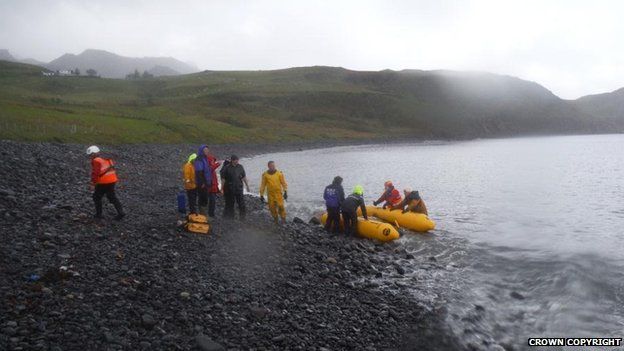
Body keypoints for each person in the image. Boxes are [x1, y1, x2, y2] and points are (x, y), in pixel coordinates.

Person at [87, 145, 125, 220]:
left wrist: (92, 184)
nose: (90, 156)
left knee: (96, 197)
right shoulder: (107, 159)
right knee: (112, 196)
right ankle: (121, 212)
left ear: (94, 153)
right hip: (113, 180)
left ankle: (99, 215)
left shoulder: (96, 160)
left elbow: (96, 173)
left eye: (91, 154)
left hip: (103, 182)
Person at [194, 145, 221, 217]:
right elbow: (199, 172)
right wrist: (202, 182)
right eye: (205, 150)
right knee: (203, 199)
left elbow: (207, 171)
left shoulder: (205, 159)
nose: (207, 151)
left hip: (208, 183)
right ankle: (202, 215)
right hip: (203, 183)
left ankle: (205, 215)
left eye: (207, 150)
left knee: (206, 199)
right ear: (202, 151)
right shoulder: (199, 159)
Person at [221, 155, 249, 219]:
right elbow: (223, 179)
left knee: (241, 203)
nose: (237, 161)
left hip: (239, 188)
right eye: (235, 160)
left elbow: (244, 177)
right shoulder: (227, 168)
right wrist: (221, 188)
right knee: (230, 203)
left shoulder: (240, 167)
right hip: (229, 188)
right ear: (232, 160)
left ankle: (242, 217)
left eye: (237, 160)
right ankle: (231, 217)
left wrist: (247, 186)